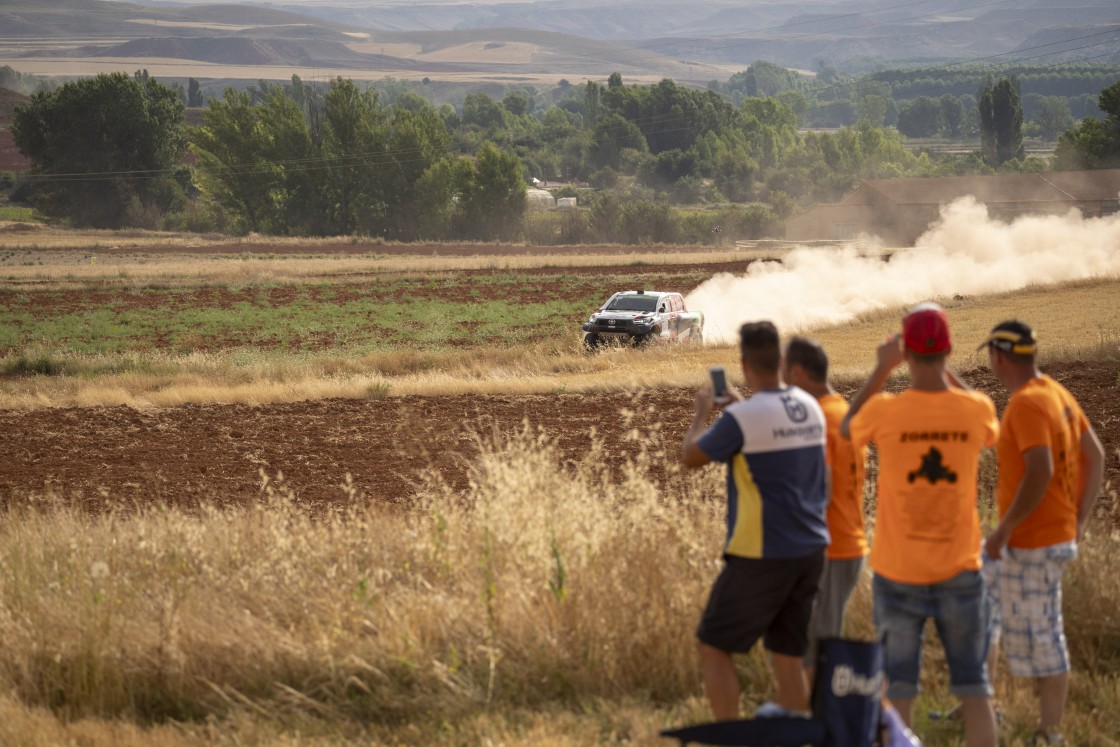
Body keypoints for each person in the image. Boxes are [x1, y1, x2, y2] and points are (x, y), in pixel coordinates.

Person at [839, 302, 999, 747]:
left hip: (898, 570)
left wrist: (881, 369)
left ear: (905, 353)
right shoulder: (975, 409)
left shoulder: (885, 412)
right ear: (948, 351)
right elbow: (990, 427)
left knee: (898, 689)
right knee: (974, 687)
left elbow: (847, 429)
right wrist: (946, 376)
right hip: (961, 569)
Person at [681, 321, 830, 721]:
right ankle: (797, 735)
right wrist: (741, 407)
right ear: (781, 361)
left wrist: (701, 415)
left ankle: (729, 737)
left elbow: (691, 457)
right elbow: (770, 428)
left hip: (763, 552)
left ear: (744, 364)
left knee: (713, 645)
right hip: (812, 549)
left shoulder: (742, 419)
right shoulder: (810, 407)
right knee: (788, 655)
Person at [979, 320, 1105, 746]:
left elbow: (1041, 469)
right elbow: (1096, 456)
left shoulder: (1028, 404)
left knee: (1046, 637)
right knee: (983, 609)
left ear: (998, 357)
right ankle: (984, 706)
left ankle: (1050, 735)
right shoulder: (1056, 392)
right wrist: (1079, 522)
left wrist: (1005, 529)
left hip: (1030, 544)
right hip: (1048, 537)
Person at [783, 337, 868, 681]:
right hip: (846, 542)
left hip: (829, 548)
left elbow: (822, 489)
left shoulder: (818, 419)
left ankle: (818, 725)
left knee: (814, 650)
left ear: (799, 373)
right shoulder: (843, 410)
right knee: (821, 640)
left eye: (783, 371)